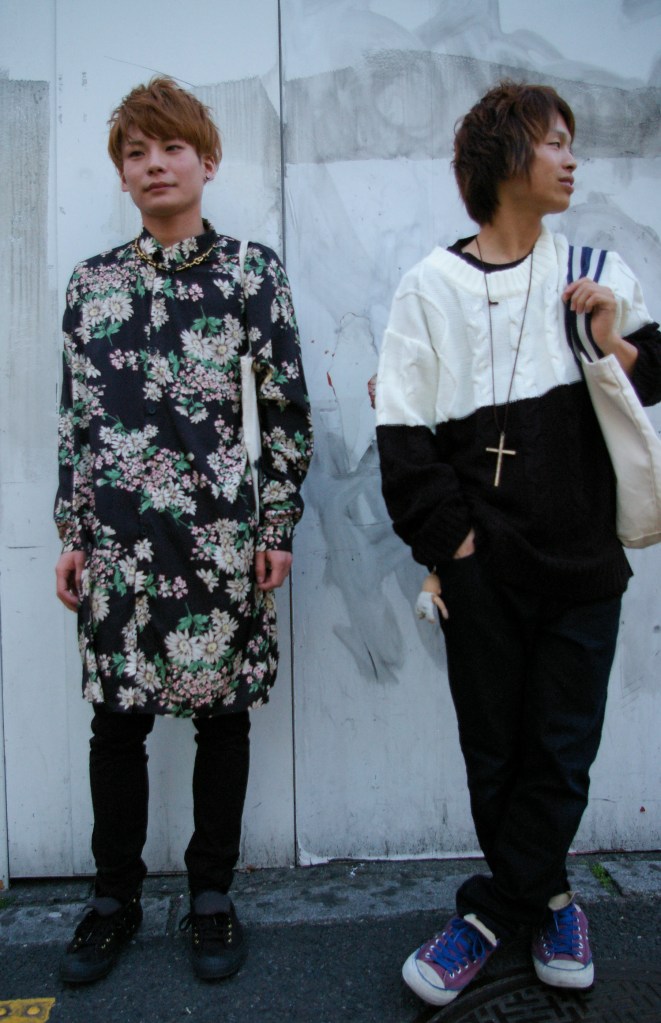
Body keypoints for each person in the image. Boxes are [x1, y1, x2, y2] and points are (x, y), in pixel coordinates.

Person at [375, 80, 661, 1007]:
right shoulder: (428, 286)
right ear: (507, 159)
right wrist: (453, 547)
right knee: (493, 748)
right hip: (482, 572)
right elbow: (404, 434)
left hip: (581, 566)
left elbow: (653, 376)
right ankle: (549, 898)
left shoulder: (593, 270)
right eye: (556, 141)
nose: (572, 158)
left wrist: (609, 338)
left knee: (561, 750)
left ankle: (488, 915)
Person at [54, 76, 313, 984]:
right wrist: (73, 531)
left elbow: (282, 408)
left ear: (206, 160)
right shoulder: (92, 286)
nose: (154, 163)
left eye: (170, 148)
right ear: (122, 175)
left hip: (217, 536)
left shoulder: (251, 271)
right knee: (115, 723)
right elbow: (76, 421)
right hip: (119, 542)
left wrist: (275, 521)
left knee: (222, 716)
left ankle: (211, 895)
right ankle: (111, 899)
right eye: (136, 152)